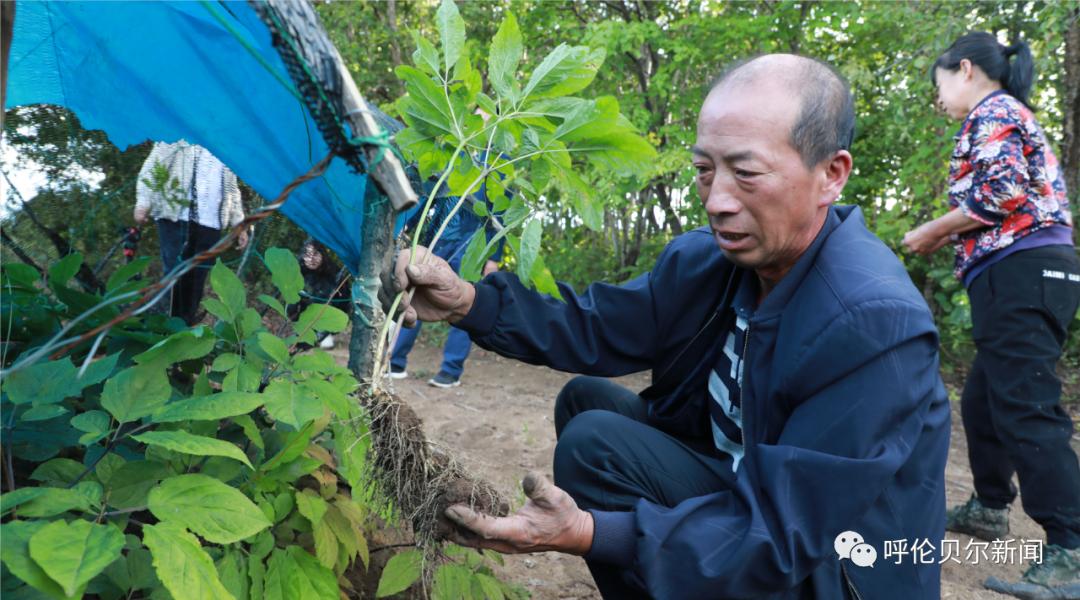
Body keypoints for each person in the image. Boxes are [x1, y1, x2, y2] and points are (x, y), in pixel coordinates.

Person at [393, 54, 951, 598]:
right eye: (705, 170)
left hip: (828, 563)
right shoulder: (717, 264)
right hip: (744, 482)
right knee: (588, 405)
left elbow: (786, 534)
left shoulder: (873, 321)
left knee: (593, 446)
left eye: (746, 172)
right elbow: (594, 325)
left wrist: (587, 533)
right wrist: (468, 301)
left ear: (831, 174)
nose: (718, 200)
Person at [904, 32, 1079, 597]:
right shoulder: (1006, 112)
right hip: (1027, 270)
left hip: (1024, 269)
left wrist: (933, 230)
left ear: (964, 70)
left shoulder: (993, 109)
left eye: (940, 86)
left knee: (1026, 405)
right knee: (985, 395)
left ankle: (1069, 546)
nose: (940, 100)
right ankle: (990, 505)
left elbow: (1000, 192)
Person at [389, 185, 504, 388]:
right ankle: (395, 361)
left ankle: (451, 370)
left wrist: (493, 258)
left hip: (472, 244)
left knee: (467, 302)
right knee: (416, 291)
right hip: (439, 238)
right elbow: (431, 192)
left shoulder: (501, 162)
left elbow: (500, 213)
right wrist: (404, 224)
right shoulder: (454, 155)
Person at [134, 140, 248, 325]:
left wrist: (239, 224)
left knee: (197, 278)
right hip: (176, 217)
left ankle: (184, 328)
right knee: (174, 273)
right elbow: (154, 165)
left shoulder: (225, 146)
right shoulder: (175, 135)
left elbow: (232, 190)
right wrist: (143, 202)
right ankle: (162, 328)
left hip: (210, 223)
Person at [294, 239, 350, 349]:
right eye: (307, 254)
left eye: (315, 254)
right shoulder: (299, 271)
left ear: (322, 254)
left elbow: (343, 302)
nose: (311, 259)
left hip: (328, 312)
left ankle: (325, 333)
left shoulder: (333, 273)